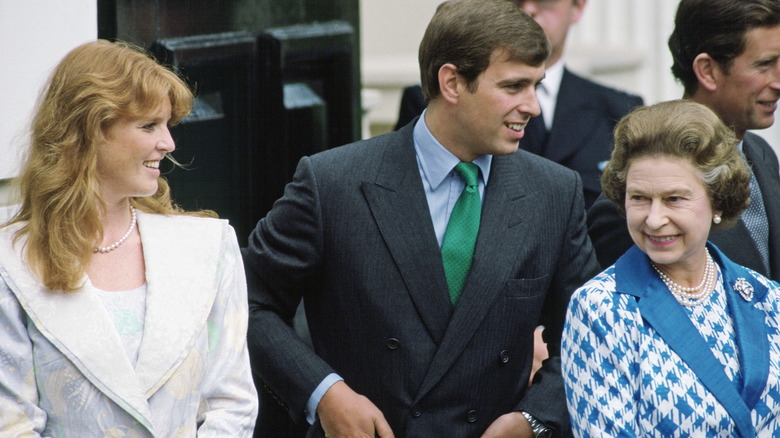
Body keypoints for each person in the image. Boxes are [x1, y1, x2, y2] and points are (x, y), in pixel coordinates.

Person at [243, 0, 600, 437]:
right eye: (514, 87)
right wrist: (325, 393)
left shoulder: (554, 193)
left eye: (536, 85)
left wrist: (532, 420)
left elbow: (588, 336)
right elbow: (247, 303)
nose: (534, 106)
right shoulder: (332, 182)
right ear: (451, 82)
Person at [0, 40, 258, 436]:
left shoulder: (208, 248)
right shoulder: (10, 260)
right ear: (89, 131)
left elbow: (232, 404)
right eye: (149, 125)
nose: (168, 143)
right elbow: (11, 423)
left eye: (168, 125)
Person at [562, 99, 780, 437]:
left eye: (674, 199)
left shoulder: (767, 298)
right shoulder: (602, 308)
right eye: (639, 198)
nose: (654, 219)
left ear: (717, 199)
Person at [588, 0, 780, 278]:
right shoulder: (630, 208)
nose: (777, 81)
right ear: (707, 71)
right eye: (764, 65)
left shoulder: (759, 153)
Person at [395, 0, 644, 209]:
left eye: (544, 0)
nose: (529, 9)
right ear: (450, 84)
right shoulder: (428, 104)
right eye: (514, 86)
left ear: (578, 6)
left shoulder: (620, 108)